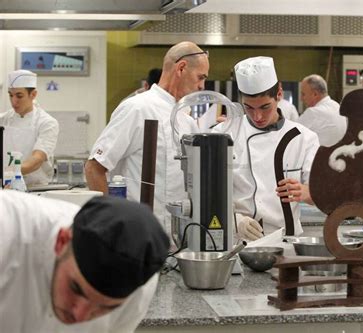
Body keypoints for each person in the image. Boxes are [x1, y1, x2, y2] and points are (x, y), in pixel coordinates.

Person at [85, 41, 209, 235]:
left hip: (178, 240)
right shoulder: (137, 108)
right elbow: (94, 168)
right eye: (200, 77)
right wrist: (112, 223)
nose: (202, 86)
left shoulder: (187, 121)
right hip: (137, 235)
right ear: (181, 68)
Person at [0, 191, 170, 332]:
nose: (80, 315)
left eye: (106, 307)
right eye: (76, 288)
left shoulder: (140, 287)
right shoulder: (7, 229)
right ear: (62, 241)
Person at [213, 56, 320, 240]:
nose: (257, 116)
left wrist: (307, 192)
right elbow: (208, 193)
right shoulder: (223, 135)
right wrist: (234, 220)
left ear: (279, 93)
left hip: (286, 243)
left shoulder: (304, 138)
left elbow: (321, 195)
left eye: (265, 107)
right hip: (236, 240)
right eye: (249, 107)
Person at [0, 69, 59, 185]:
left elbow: (36, 160)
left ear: (33, 94)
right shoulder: (3, 120)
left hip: (35, 190)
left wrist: (7, 173)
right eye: (10, 95)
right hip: (5, 188)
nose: (14, 101)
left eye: (19, 96)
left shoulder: (47, 123)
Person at [297, 74, 347, 147]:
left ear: (315, 94)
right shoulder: (337, 107)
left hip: (318, 157)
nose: (301, 99)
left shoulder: (313, 113)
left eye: (303, 94)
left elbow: (290, 136)